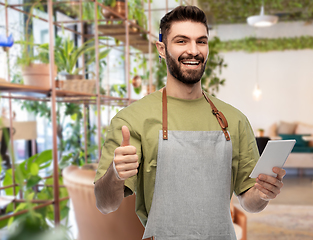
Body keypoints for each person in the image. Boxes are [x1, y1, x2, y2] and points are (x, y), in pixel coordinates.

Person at [94, 5, 286, 240]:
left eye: (201, 41)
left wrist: (264, 193)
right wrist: (115, 173)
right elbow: (105, 204)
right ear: (162, 49)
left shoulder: (234, 120)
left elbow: (249, 201)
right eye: (182, 41)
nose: (193, 51)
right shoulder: (132, 119)